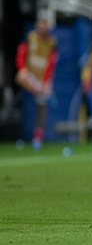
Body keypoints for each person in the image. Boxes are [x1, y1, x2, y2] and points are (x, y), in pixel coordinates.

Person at [15, 18, 58, 149]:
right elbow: (21, 54)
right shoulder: (30, 38)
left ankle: (38, 138)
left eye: (44, 26)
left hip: (43, 78)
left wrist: (46, 83)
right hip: (31, 75)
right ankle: (38, 90)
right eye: (40, 25)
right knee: (19, 77)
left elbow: (51, 64)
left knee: (42, 110)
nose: (42, 28)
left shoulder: (51, 43)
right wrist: (22, 68)